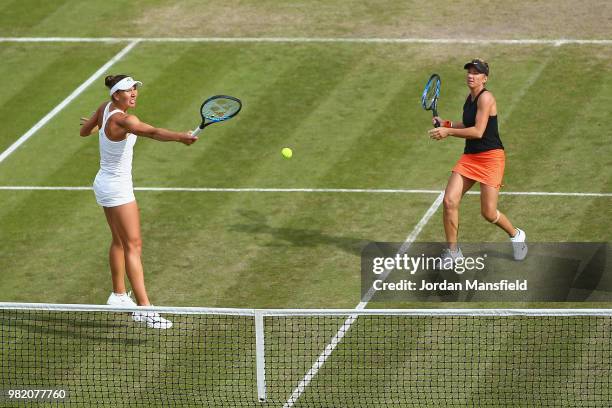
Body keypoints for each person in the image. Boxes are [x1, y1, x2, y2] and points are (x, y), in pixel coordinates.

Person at [79, 74, 198, 329]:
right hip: (118, 188)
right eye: (127, 90)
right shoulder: (125, 119)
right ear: (116, 95)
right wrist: (181, 137)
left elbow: (84, 131)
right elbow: (153, 132)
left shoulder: (104, 108)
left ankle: (119, 295)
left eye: (135, 89)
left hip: (104, 183)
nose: (133, 93)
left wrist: (100, 127)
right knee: (134, 245)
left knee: (119, 241)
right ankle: (145, 309)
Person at [428, 59, 527, 265]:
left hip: (491, 158)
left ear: (485, 78)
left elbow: (477, 131)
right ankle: (453, 252)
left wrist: (448, 132)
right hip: (470, 157)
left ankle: (516, 235)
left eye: (476, 73)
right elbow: (467, 123)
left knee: (488, 213)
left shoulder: (486, 98)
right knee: (449, 201)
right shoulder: (470, 98)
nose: (471, 75)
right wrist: (446, 123)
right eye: (469, 72)